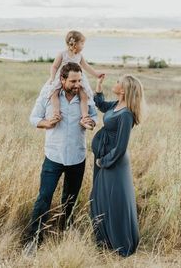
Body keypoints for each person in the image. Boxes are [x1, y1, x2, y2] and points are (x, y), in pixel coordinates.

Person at [27, 62, 97, 245]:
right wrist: (47, 123)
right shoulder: (48, 96)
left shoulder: (85, 97)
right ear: (62, 79)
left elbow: (94, 117)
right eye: (73, 81)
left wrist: (89, 123)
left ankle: (66, 233)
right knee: (44, 197)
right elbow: (33, 118)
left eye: (80, 80)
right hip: (53, 156)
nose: (77, 85)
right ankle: (33, 239)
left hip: (77, 157)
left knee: (70, 199)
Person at [90, 74, 145, 257]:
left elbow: (121, 147)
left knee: (116, 201)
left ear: (124, 89)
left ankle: (121, 243)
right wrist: (98, 85)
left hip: (114, 162)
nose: (115, 83)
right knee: (102, 197)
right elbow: (101, 105)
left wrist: (103, 161)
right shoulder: (116, 105)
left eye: (118, 82)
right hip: (105, 158)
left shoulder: (127, 114)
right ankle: (105, 240)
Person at [40, 30, 104, 129]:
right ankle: (56, 113)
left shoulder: (79, 56)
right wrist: (52, 77)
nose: (83, 46)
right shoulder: (62, 54)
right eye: (82, 43)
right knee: (54, 93)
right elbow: (54, 66)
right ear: (75, 44)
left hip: (77, 78)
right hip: (63, 77)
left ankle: (85, 115)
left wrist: (96, 74)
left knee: (84, 95)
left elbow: (87, 67)